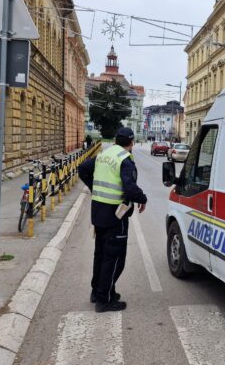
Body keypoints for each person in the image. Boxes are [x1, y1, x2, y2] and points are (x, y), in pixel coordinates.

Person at [78, 127, 147, 312]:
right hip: (115, 216)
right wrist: (143, 199)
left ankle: (97, 291)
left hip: (98, 212)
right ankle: (104, 299)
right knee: (115, 258)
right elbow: (130, 188)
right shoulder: (125, 159)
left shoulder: (105, 155)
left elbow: (82, 168)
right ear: (131, 143)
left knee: (100, 254)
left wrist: (95, 189)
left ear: (116, 140)